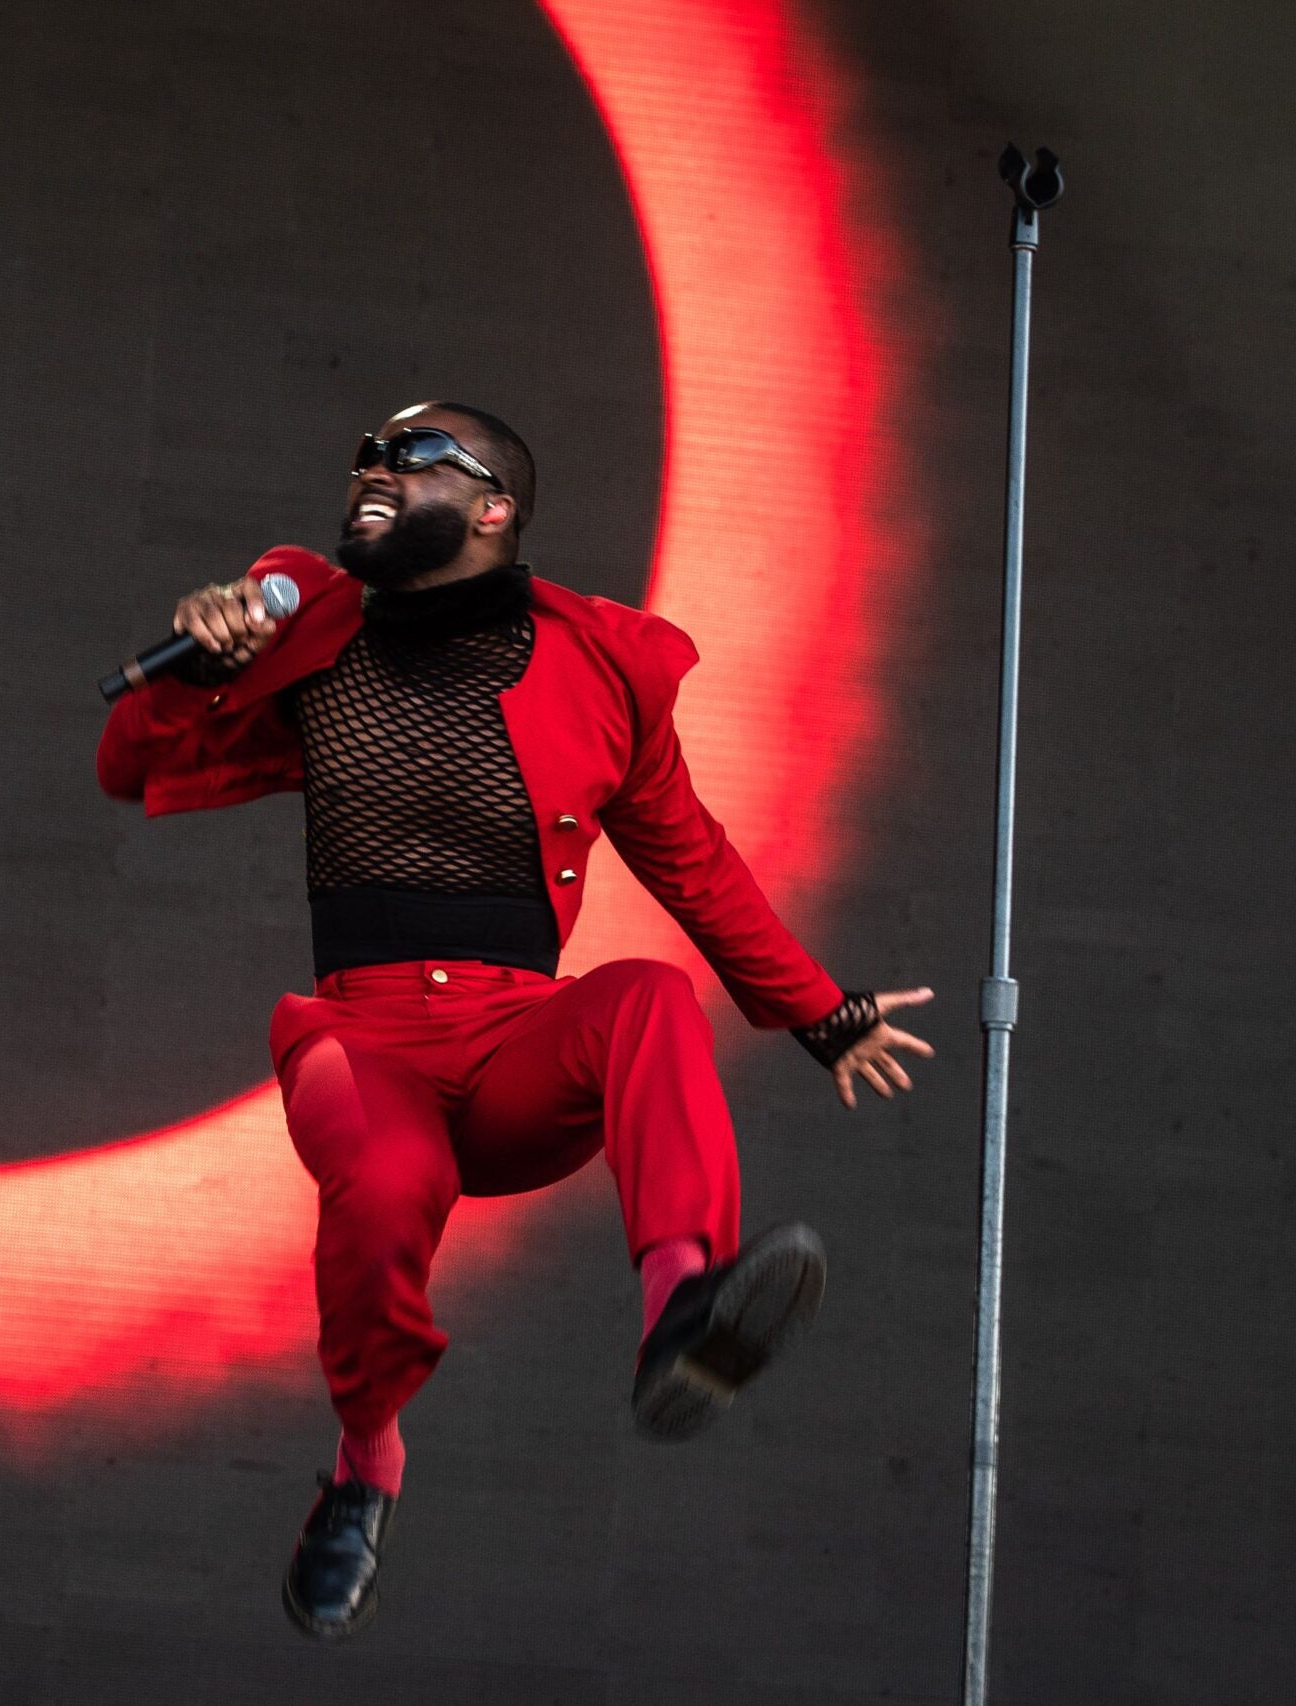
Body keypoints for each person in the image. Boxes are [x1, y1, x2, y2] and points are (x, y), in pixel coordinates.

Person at [96, 402, 932, 1640]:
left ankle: (681, 1310)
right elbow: (130, 761)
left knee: (645, 993)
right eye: (363, 455)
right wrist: (209, 657)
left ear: (494, 508)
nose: (372, 467)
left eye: (411, 457)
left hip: (513, 1046)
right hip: (362, 1038)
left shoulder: (597, 667)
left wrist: (818, 1013)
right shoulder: (304, 615)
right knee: (380, 1186)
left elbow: (692, 862)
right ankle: (363, 1468)